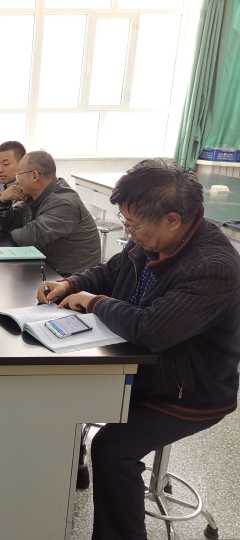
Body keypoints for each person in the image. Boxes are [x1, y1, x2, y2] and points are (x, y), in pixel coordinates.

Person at [37, 160, 240, 540]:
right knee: (62, 395)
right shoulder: (152, 239)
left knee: (112, 449)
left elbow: (152, 330)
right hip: (146, 369)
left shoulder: (212, 267)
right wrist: (72, 283)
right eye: (126, 223)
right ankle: (70, 471)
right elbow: (110, 271)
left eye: (134, 226)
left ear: (173, 220)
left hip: (189, 392)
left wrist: (94, 301)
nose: (130, 232)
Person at [0, 150, 100, 275]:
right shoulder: (35, 195)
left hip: (73, 277)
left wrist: (10, 231)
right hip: (50, 267)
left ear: (34, 176)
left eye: (18, 174)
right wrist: (3, 202)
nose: (16, 181)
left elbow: (28, 237)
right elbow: (11, 223)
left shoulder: (64, 203)